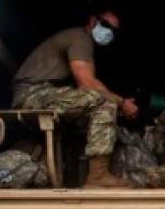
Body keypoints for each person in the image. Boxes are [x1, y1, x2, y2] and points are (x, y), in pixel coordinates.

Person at [11, 10, 138, 188]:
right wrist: (121, 102)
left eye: (114, 31)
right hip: (32, 94)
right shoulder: (80, 38)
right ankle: (97, 177)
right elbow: (87, 83)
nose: (109, 32)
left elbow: (89, 85)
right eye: (106, 25)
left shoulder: (83, 42)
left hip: (41, 94)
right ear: (93, 21)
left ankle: (76, 176)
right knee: (104, 103)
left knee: (93, 112)